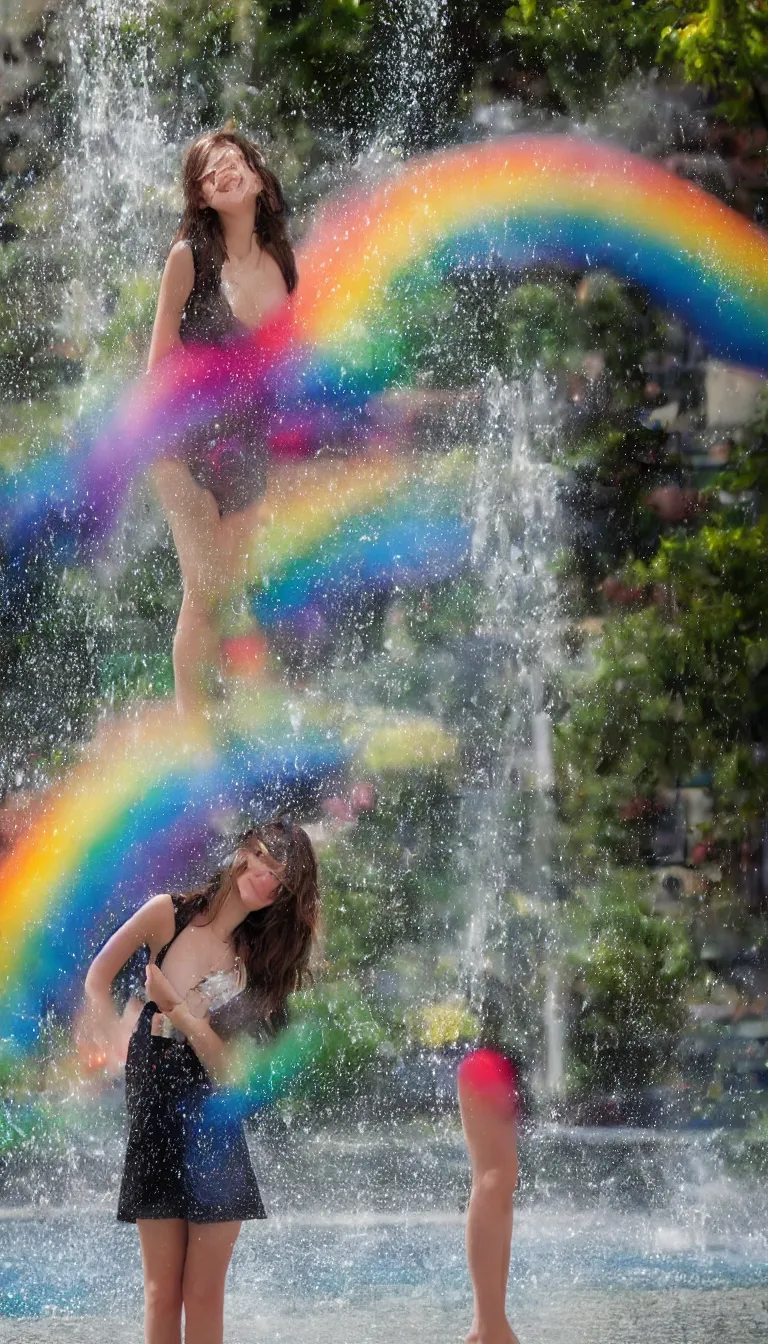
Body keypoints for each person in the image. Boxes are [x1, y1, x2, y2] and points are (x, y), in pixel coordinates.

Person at [83, 816, 318, 1344]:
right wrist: (115, 1047)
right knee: (161, 1292)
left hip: (213, 1124)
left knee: (204, 1293)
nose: (264, 877)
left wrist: (182, 1017)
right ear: (245, 850)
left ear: (283, 899)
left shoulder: (252, 964)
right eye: (264, 858)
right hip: (155, 1114)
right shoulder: (167, 914)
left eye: (281, 881)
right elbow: (98, 978)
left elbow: (228, 1070)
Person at [147, 128, 298, 715]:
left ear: (257, 178)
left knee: (233, 598)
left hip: (247, 451)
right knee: (203, 595)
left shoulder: (283, 261)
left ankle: (234, 728)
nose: (224, 173)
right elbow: (157, 365)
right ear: (203, 197)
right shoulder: (188, 258)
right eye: (209, 173)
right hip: (183, 446)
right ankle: (194, 745)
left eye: (233, 161)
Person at [457, 1047, 521, 1344]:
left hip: (496, 1057)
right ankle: (488, 1327)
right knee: (494, 1176)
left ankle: (488, 1323)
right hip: (485, 1060)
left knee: (502, 1177)